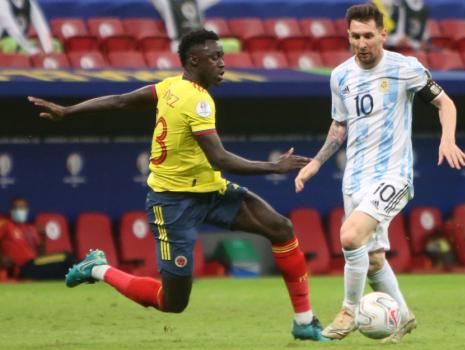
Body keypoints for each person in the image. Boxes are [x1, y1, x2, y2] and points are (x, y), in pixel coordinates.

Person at [28, 29, 329, 341]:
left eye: (222, 56)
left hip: (210, 191)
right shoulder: (196, 101)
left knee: (281, 228)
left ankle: (304, 322)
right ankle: (97, 269)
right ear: (194, 61)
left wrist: (68, 111)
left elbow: (119, 101)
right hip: (174, 203)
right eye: (215, 58)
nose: (222, 63)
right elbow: (220, 159)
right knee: (172, 303)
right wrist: (274, 166)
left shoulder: (170, 87)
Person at [294, 3, 465, 343]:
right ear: (348, 36)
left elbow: (445, 103)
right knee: (372, 260)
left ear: (383, 34)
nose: (361, 43)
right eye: (355, 36)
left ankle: (348, 310)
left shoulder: (405, 68)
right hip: (355, 178)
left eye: (368, 36)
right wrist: (316, 162)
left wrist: (447, 139)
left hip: (394, 175)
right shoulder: (340, 76)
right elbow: (339, 126)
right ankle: (403, 317)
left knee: (349, 236)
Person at [0, 197, 75, 280]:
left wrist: (43, 240)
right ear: (10, 210)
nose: (18, 211)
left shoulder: (31, 229)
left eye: (21, 208)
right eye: (15, 208)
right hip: (22, 267)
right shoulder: (6, 225)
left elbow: (40, 255)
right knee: (66, 257)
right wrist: (2, 256)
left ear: (26, 210)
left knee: (64, 270)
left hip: (35, 264)